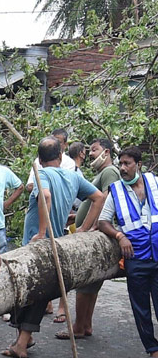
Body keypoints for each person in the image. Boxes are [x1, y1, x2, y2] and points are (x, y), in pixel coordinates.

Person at [1, 137, 105, 358]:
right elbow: (99, 197)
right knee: (40, 294)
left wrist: (40, 232)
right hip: (56, 242)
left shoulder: (43, 174)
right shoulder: (73, 176)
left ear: (39, 159)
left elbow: (46, 196)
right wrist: (85, 228)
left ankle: (22, 341)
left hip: (37, 244)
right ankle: (24, 340)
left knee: (23, 290)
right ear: (60, 156)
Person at [95, 146, 158, 358]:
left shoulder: (154, 182)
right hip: (137, 258)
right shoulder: (116, 191)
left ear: (138, 165)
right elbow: (102, 222)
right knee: (141, 308)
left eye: (127, 164)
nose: (122, 168)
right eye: (120, 163)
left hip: (157, 254)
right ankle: (153, 349)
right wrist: (119, 235)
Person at [63, 138, 121, 340]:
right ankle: (85, 324)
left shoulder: (110, 171)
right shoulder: (104, 173)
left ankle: (78, 326)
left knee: (84, 281)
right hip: (93, 231)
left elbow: (106, 198)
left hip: (94, 233)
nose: (90, 155)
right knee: (92, 283)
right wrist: (77, 217)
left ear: (106, 151)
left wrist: (88, 227)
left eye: (94, 150)